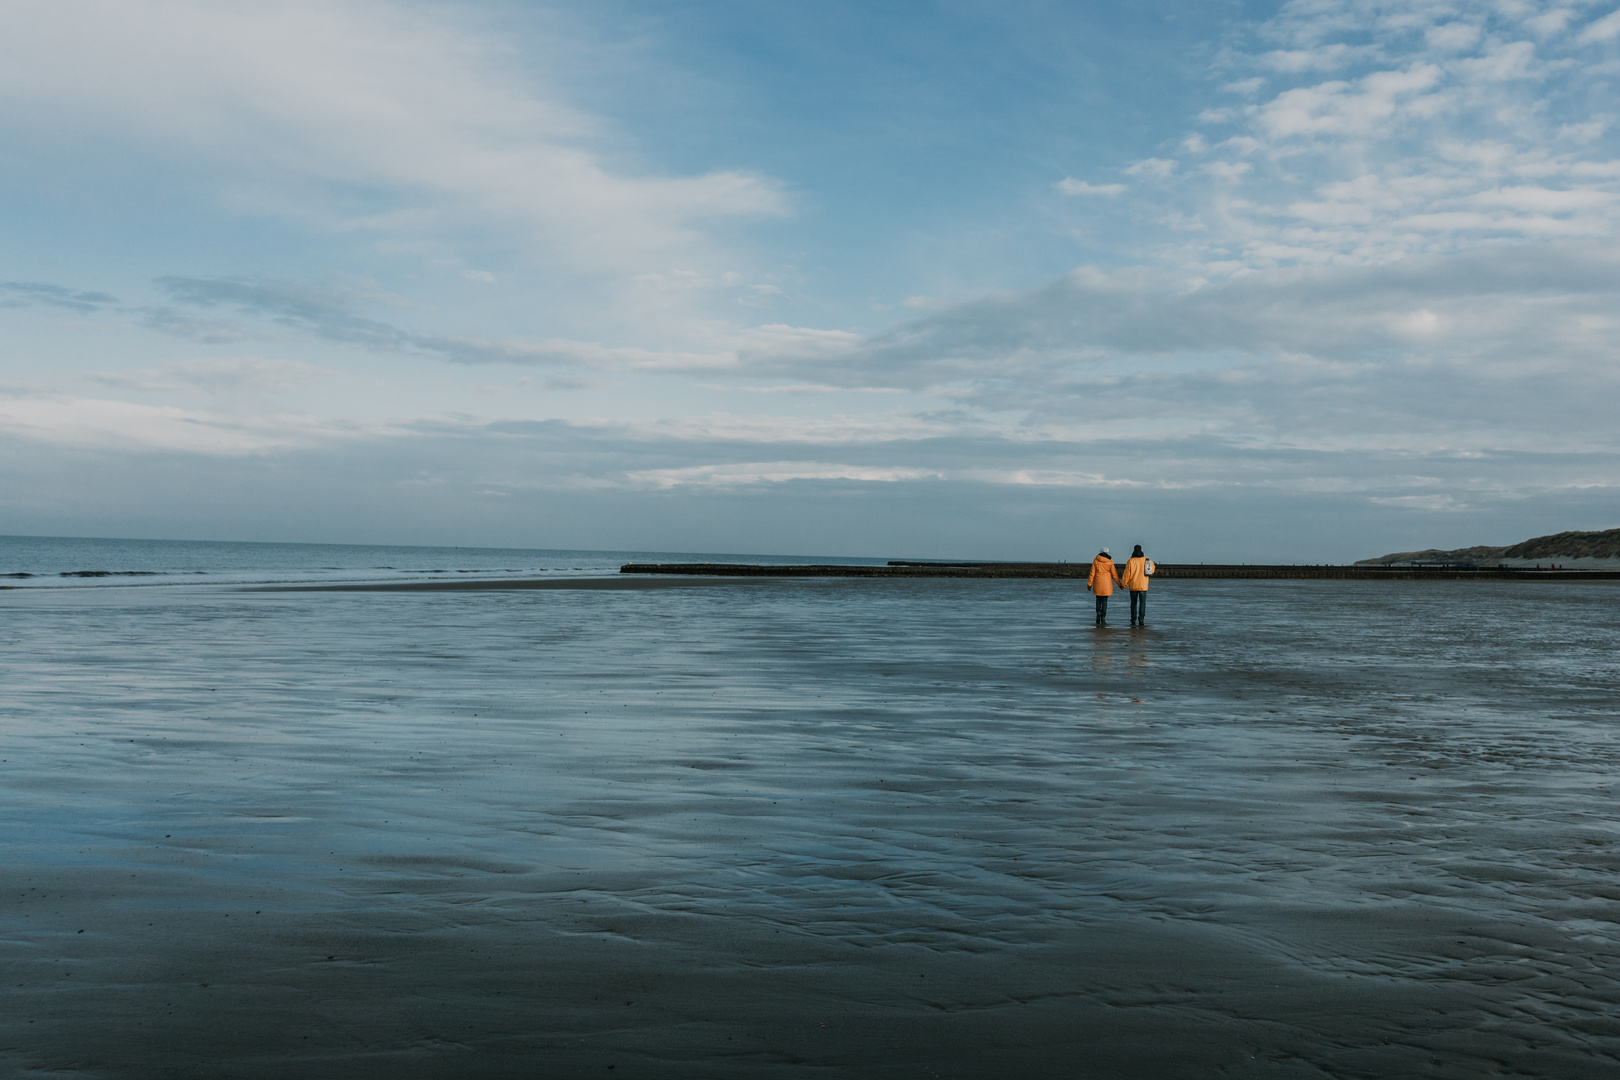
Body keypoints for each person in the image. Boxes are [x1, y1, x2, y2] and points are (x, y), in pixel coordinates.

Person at [1120, 544, 1153, 626]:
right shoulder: (1147, 560)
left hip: (1133, 585)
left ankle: (1133, 619)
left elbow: (1126, 574)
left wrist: (1123, 585)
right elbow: (1152, 570)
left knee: (1133, 603)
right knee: (1142, 603)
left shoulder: (1130, 561)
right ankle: (1141, 620)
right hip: (1143, 585)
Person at [1087, 548, 1121, 625]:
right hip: (1106, 584)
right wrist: (1120, 584)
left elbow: (1092, 573)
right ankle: (1103, 617)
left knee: (1098, 599)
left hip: (1098, 583)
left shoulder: (1095, 560)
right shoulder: (1110, 561)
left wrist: (1089, 584)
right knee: (1104, 601)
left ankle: (1098, 612)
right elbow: (1114, 574)